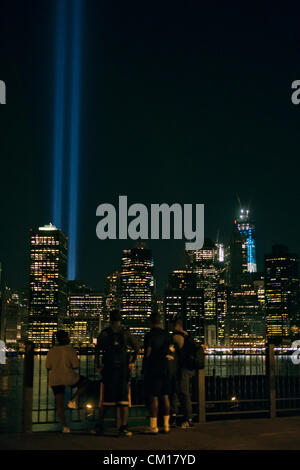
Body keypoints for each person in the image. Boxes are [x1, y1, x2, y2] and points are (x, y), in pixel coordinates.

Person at [93, 309, 140, 437]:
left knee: (105, 400)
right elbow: (137, 348)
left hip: (108, 369)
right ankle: (123, 427)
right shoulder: (125, 332)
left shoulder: (104, 333)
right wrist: (132, 362)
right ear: (120, 319)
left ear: (110, 319)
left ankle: (99, 426)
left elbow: (97, 351)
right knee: (124, 400)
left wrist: (98, 366)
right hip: (123, 369)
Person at [46, 330, 88, 433]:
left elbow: (48, 366)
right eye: (68, 337)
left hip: (55, 378)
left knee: (59, 404)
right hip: (68, 377)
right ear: (65, 338)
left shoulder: (51, 350)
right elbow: (76, 366)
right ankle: (73, 400)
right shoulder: (70, 350)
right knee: (86, 382)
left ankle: (65, 427)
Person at [143, 312, 174, 434]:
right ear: (160, 321)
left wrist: (145, 367)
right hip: (165, 368)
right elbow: (171, 350)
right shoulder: (166, 334)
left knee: (154, 397)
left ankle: (153, 426)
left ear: (150, 322)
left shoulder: (149, 335)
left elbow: (148, 353)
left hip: (153, 368)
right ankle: (166, 425)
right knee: (165, 396)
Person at [171, 318, 194, 429]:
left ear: (176, 326)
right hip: (188, 369)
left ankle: (183, 419)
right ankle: (187, 418)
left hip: (180, 369)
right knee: (185, 393)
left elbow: (173, 353)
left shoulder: (176, 337)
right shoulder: (187, 336)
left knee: (179, 393)